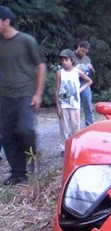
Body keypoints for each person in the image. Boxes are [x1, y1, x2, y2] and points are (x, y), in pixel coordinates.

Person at [0, 6, 46, 185]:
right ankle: (18, 173)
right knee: (7, 135)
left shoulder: (27, 41)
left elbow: (41, 66)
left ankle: (33, 161)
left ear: (6, 21)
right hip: (4, 95)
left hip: (26, 94)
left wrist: (38, 94)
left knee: (25, 130)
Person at [55, 49, 92, 154]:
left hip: (75, 104)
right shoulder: (59, 73)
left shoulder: (77, 71)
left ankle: (76, 146)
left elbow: (89, 81)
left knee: (75, 126)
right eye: (62, 60)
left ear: (72, 60)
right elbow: (57, 90)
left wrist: (80, 90)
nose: (64, 62)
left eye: (66, 59)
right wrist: (57, 106)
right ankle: (64, 148)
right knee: (64, 127)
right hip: (63, 104)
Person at [73, 41, 95, 126]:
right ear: (78, 47)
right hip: (74, 82)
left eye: (86, 52)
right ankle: (74, 127)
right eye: (83, 51)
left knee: (88, 106)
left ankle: (89, 126)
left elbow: (92, 73)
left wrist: (91, 68)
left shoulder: (87, 59)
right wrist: (76, 68)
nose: (84, 53)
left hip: (85, 83)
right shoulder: (71, 56)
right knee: (74, 107)